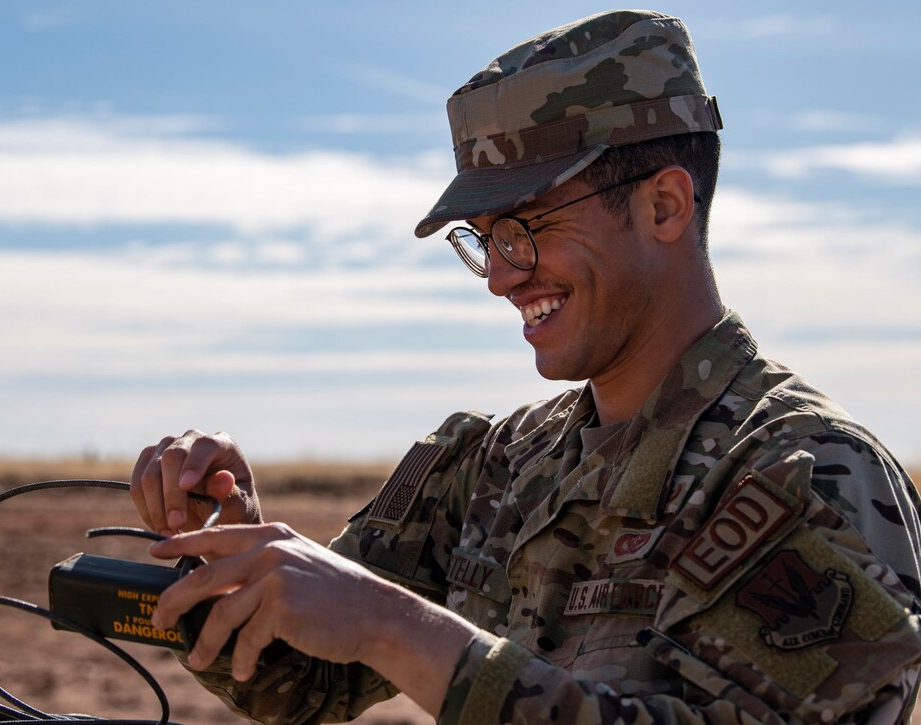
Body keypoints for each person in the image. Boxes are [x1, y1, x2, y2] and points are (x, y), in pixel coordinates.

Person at [130, 9, 921, 723]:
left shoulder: (805, 475)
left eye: (526, 228)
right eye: (485, 239)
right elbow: (301, 682)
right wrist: (233, 552)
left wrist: (394, 624)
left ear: (664, 207)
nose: (504, 274)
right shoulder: (495, 465)